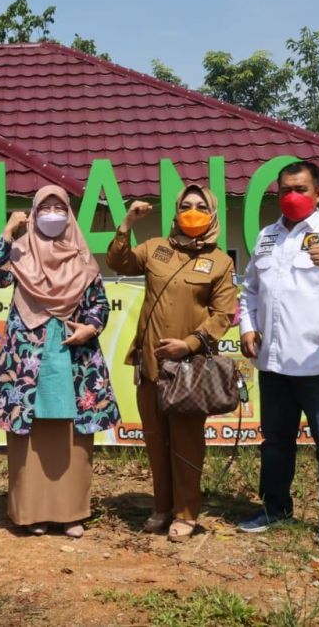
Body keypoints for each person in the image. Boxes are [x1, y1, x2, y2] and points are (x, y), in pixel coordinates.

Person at [236, 160, 319, 550]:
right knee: (276, 442)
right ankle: (275, 507)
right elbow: (249, 290)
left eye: (300, 189)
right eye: (284, 190)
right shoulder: (267, 236)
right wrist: (247, 326)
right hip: (274, 363)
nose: (291, 197)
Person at [0, 186, 119, 538]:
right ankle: (32, 513)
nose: (52, 213)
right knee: (29, 439)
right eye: (44, 207)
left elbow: (99, 304)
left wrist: (90, 328)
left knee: (72, 438)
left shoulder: (81, 258)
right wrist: (7, 232)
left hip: (74, 357)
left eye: (59, 207)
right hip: (26, 361)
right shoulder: (19, 252)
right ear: (32, 213)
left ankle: (70, 512)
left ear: (70, 214)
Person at [107, 185, 237, 543]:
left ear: (212, 215)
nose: (191, 212)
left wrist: (191, 343)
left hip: (188, 369)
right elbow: (118, 262)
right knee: (156, 441)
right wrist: (126, 224)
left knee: (186, 442)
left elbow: (223, 313)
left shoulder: (221, 262)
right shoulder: (155, 249)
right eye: (185, 205)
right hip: (150, 364)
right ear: (175, 212)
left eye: (200, 206)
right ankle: (162, 507)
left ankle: (186, 512)